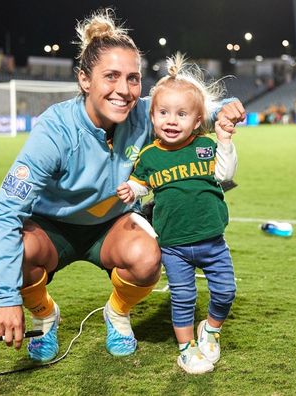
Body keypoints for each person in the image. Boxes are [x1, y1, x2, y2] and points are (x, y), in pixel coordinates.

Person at [0, 9, 245, 363]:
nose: (124, 90)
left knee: (148, 255)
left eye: (133, 78)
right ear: (84, 80)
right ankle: (45, 316)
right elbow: (4, 212)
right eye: (111, 77)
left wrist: (224, 110)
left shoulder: (143, 114)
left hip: (112, 226)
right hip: (52, 229)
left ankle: (117, 313)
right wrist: (4, 297)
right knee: (19, 253)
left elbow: (186, 110)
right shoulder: (54, 131)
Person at [117, 53, 238, 374]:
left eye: (182, 114)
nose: (172, 120)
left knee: (226, 291)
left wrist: (224, 141)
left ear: (197, 121)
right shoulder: (150, 155)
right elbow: (141, 183)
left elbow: (225, 175)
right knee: (182, 298)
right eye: (163, 113)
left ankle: (210, 330)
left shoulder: (205, 146)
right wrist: (132, 189)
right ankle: (186, 349)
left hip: (213, 240)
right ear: (153, 117)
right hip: (174, 246)